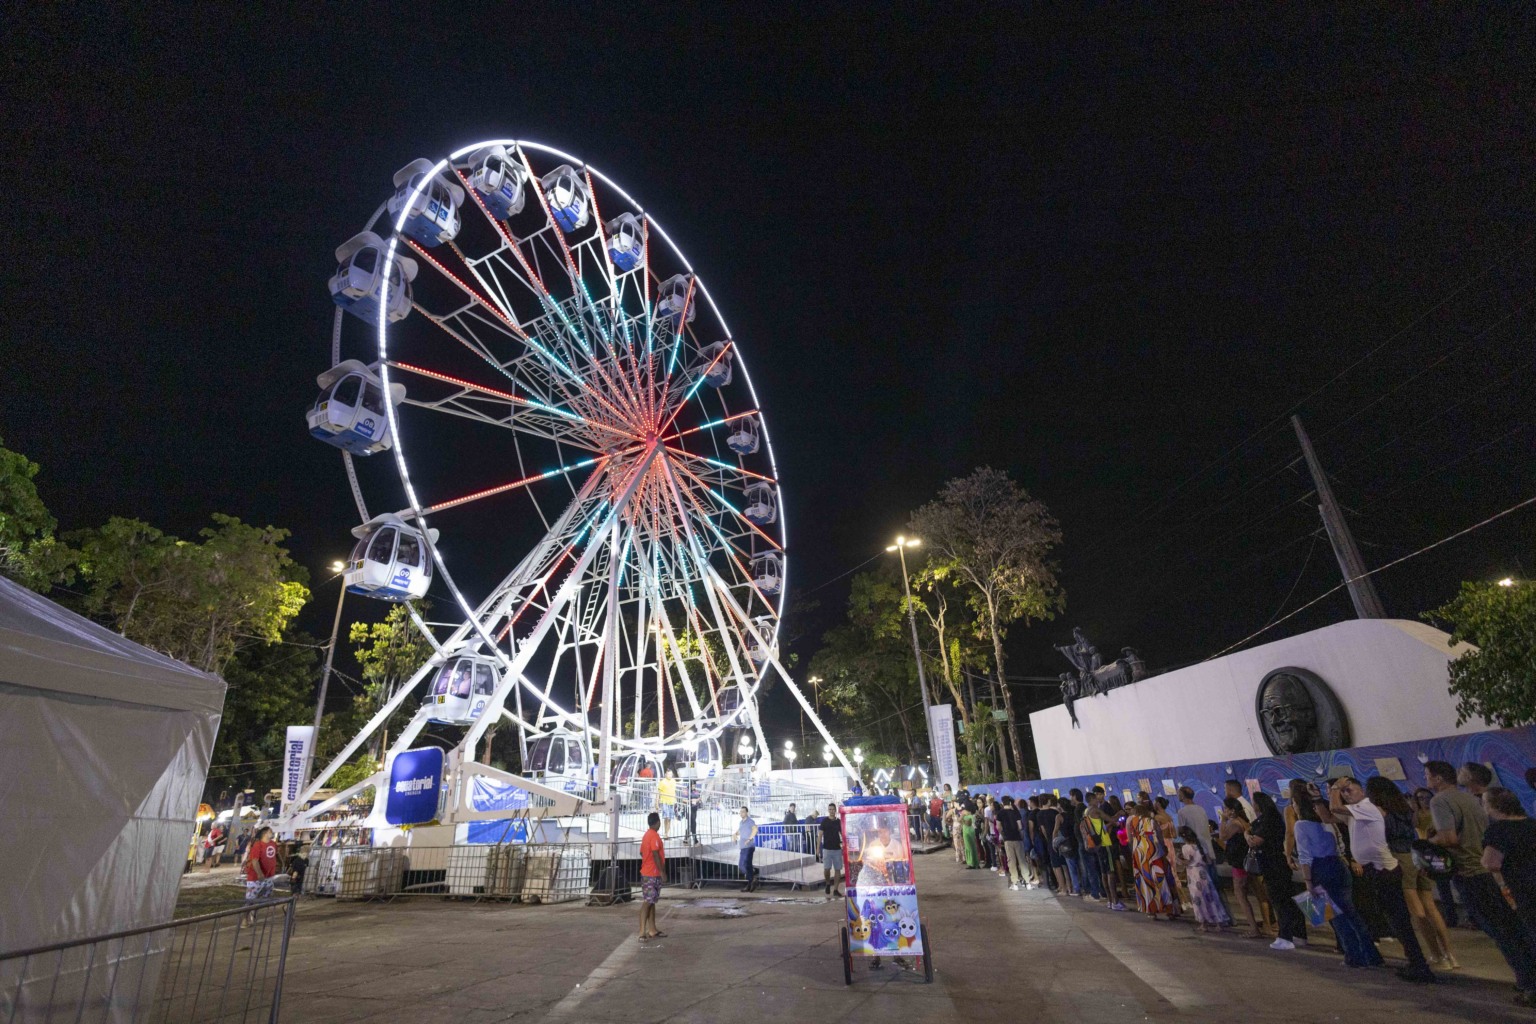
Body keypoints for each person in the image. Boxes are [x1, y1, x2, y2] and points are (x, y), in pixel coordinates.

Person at [1427, 759, 1536, 1003]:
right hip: (1521, 884)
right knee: (1519, 930)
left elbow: (1485, 859)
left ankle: (1528, 982)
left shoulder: (1443, 802)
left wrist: (1427, 844)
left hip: (1477, 875)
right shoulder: (1528, 823)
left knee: (1502, 933)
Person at [1330, 776, 1435, 982]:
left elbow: (1334, 809)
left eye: (1350, 789)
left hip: (1384, 870)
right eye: (1344, 791)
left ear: (1366, 791)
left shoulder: (1368, 808)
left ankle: (1419, 965)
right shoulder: (1364, 810)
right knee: (1398, 918)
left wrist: (1335, 788)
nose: (1346, 793)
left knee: (1400, 919)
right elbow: (1330, 816)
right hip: (1380, 869)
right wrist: (1318, 798)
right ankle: (1417, 962)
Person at [1367, 777, 1456, 968]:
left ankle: (1436, 955)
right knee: (1431, 907)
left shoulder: (1380, 811)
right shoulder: (1406, 809)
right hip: (1417, 856)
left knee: (1417, 911)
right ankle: (1450, 955)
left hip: (1399, 858)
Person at [1294, 796, 1383, 968]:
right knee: (1351, 913)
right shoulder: (1329, 823)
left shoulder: (1301, 825)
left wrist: (1308, 881)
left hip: (1320, 868)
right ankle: (1371, 955)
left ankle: (1353, 956)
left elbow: (1304, 855)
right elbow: (1340, 845)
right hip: (1338, 865)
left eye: (1294, 803)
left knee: (1335, 916)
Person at [1249, 791, 1307, 951]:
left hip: (1274, 865)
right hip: (1277, 865)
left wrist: (1249, 837)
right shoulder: (1271, 818)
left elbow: (1256, 840)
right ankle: (1299, 935)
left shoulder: (1269, 820)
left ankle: (1285, 936)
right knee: (1289, 901)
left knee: (1281, 902)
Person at [1483, 786, 1536, 942]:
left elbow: (1491, 863)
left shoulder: (1498, 830)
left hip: (1522, 887)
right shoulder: (1531, 823)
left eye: (1485, 802)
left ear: (1496, 806)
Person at [1218, 798, 1263, 937]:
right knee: (1249, 893)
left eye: (1225, 808)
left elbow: (1222, 836)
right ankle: (1259, 926)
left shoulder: (1235, 823)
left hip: (1239, 863)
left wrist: (1223, 820)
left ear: (1232, 810)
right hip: (1245, 862)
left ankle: (1253, 929)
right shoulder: (1243, 821)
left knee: (1240, 896)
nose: (1224, 811)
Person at [1127, 797, 1176, 919]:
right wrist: (1163, 849)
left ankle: (1151, 910)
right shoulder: (1151, 821)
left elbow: (1130, 839)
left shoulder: (1131, 822)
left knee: (1145, 881)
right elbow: (1159, 836)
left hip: (1138, 853)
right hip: (1153, 852)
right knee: (1160, 878)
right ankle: (1168, 909)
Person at [1180, 826, 1232, 932]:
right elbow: (1208, 860)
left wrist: (1178, 860)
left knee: (1198, 899)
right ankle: (1218, 922)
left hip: (1193, 874)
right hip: (1203, 873)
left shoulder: (1186, 847)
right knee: (1211, 898)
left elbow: (1187, 862)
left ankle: (1203, 923)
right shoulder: (1201, 846)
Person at [1177, 787, 1221, 897]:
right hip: (1208, 849)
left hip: (1196, 852)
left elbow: (1183, 832)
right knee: (1215, 886)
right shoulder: (1201, 809)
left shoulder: (1182, 812)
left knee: (1201, 889)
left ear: (1182, 795)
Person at [1071, 789, 1103, 900]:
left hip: (1086, 842)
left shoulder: (1081, 810)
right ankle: (1099, 891)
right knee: (1093, 868)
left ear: (1075, 796)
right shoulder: (1085, 809)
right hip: (1089, 842)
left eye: (1071, 796)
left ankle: (1094, 892)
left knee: (1089, 868)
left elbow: (1084, 826)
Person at [639, 811, 667, 939]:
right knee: (648, 902)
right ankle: (642, 932)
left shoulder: (646, 835)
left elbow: (642, 852)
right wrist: (662, 872)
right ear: (657, 822)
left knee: (652, 901)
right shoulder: (654, 836)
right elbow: (656, 854)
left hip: (647, 872)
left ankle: (652, 929)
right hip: (652, 874)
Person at [242, 827, 280, 917]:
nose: (272, 832)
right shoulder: (258, 845)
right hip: (255, 877)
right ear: (265, 833)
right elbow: (255, 861)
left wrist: (280, 863)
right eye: (270, 831)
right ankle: (245, 918)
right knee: (250, 899)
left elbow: (276, 854)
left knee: (266, 896)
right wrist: (259, 873)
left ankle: (254, 909)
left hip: (268, 876)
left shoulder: (273, 844)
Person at [998, 795, 1028, 890]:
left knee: (1011, 861)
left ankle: (1014, 883)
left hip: (1008, 839)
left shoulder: (1000, 813)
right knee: (1022, 860)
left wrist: (1003, 834)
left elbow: (999, 827)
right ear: (1010, 802)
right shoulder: (1015, 812)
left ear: (1002, 803)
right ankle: (1027, 881)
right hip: (1017, 838)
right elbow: (1020, 826)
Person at [820, 803, 844, 896]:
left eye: (833, 809)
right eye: (830, 809)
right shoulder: (824, 821)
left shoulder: (838, 822)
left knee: (837, 869)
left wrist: (844, 844)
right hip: (827, 849)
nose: (831, 811)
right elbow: (820, 835)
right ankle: (827, 883)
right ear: (828, 810)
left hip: (837, 849)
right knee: (827, 869)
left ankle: (835, 889)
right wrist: (817, 849)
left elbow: (842, 834)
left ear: (835, 810)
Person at [738, 806, 759, 892]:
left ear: (747, 813)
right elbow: (740, 831)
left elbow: (755, 830)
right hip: (743, 847)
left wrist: (749, 839)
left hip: (749, 846)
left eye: (743, 811)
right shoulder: (741, 822)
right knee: (742, 865)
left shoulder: (750, 821)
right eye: (740, 812)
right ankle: (752, 878)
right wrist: (735, 834)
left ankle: (751, 880)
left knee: (746, 864)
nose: (741, 813)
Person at [658, 770, 677, 839]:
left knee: (669, 818)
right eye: (668, 774)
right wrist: (657, 802)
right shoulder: (662, 782)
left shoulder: (673, 781)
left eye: (671, 774)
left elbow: (674, 791)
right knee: (666, 817)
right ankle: (665, 833)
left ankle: (667, 833)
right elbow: (658, 792)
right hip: (665, 801)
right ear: (666, 774)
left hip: (672, 801)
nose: (670, 776)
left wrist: (675, 801)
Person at [960, 801, 980, 869]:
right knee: (972, 847)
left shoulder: (969, 815)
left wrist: (962, 818)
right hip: (968, 831)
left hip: (968, 832)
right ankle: (975, 863)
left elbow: (968, 823)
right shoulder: (970, 814)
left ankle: (971, 863)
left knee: (969, 847)